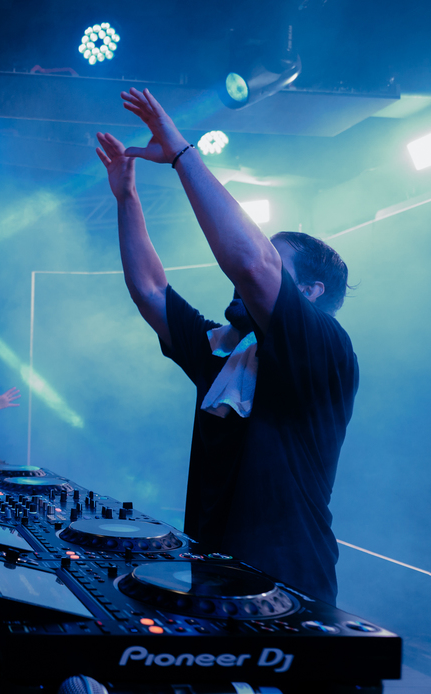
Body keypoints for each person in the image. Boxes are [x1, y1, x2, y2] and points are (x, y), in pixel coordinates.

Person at [95, 88, 357, 603]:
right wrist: (127, 199)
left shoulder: (326, 347)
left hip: (289, 588)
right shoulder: (230, 351)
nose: (242, 279)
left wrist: (181, 154)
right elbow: (151, 291)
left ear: (310, 293)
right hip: (213, 577)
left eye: (277, 266)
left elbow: (251, 265)